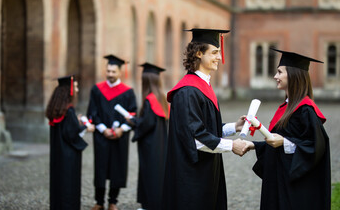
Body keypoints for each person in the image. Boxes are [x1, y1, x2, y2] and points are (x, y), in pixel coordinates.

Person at [162, 28, 247, 210]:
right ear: (199, 53)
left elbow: (205, 128)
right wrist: (231, 146)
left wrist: (235, 127)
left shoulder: (202, 86)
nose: (219, 57)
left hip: (206, 169)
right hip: (191, 174)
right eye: (214, 52)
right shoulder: (188, 91)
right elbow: (194, 139)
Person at [243, 48, 331, 210]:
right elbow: (281, 142)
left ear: (293, 75)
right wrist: (254, 145)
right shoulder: (288, 107)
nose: (275, 76)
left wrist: (284, 141)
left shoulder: (305, 110)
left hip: (294, 190)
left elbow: (316, 146)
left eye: (279, 72)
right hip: (279, 181)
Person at [87, 55, 137, 210]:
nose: (110, 74)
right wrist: (103, 129)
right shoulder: (97, 89)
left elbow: (133, 115)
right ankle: (99, 201)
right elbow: (92, 112)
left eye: (113, 71)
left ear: (120, 73)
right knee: (100, 167)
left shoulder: (128, 92)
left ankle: (113, 201)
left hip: (119, 136)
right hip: (102, 135)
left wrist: (122, 129)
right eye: (108, 71)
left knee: (117, 167)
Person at [46, 75, 95, 210]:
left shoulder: (56, 108)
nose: (78, 90)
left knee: (58, 185)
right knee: (69, 186)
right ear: (70, 90)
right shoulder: (69, 110)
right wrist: (86, 127)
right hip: (68, 157)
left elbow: (65, 128)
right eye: (76, 86)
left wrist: (75, 121)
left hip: (58, 155)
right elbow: (72, 134)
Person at [127, 63, 169, 210]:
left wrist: (133, 121)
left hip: (150, 146)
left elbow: (147, 124)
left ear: (146, 82)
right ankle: (158, 203)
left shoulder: (149, 100)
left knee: (150, 175)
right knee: (159, 175)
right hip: (162, 145)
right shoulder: (162, 99)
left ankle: (150, 205)